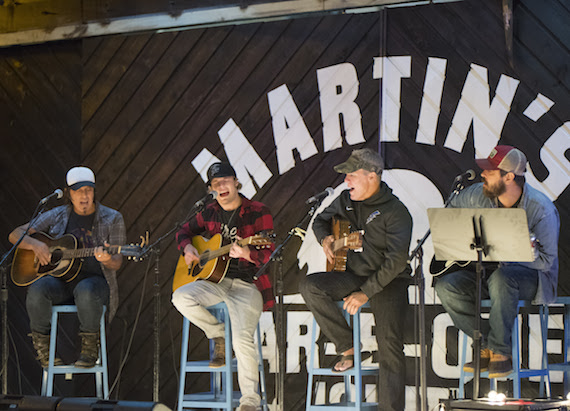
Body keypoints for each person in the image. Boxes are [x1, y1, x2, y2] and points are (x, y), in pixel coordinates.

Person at [301, 148, 413, 411]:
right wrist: (326, 239)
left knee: (389, 346)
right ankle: (348, 346)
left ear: (372, 176)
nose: (346, 181)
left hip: (389, 281)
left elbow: (395, 262)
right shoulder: (346, 200)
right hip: (353, 276)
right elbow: (320, 221)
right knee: (310, 286)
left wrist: (367, 292)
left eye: (352, 175)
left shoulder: (397, 212)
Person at [434, 145, 560, 378]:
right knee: (446, 286)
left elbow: (546, 261)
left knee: (503, 279)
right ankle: (485, 343)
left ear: (509, 177)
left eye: (490, 172)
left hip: (532, 278)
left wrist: (517, 251)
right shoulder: (477, 195)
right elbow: (450, 213)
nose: (482, 175)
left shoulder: (541, 209)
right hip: (488, 272)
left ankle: (501, 352)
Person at [172, 162, 274, 411]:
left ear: (237, 182)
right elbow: (182, 231)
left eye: (225, 181)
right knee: (180, 297)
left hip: (247, 284)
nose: (221, 187)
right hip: (214, 282)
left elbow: (271, 252)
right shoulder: (208, 212)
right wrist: (187, 248)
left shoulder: (258, 211)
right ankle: (217, 333)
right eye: (216, 184)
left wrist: (248, 253)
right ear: (211, 189)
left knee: (242, 340)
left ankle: (250, 401)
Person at [9, 166, 126, 368]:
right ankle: (43, 349)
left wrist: (105, 258)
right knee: (38, 289)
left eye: (88, 190)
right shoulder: (58, 214)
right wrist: (36, 245)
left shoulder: (113, 218)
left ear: (94, 192)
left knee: (86, 290)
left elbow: (116, 262)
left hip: (95, 283)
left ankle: (90, 349)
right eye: (78, 190)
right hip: (60, 284)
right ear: (69, 193)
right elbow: (15, 234)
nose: (84, 196)